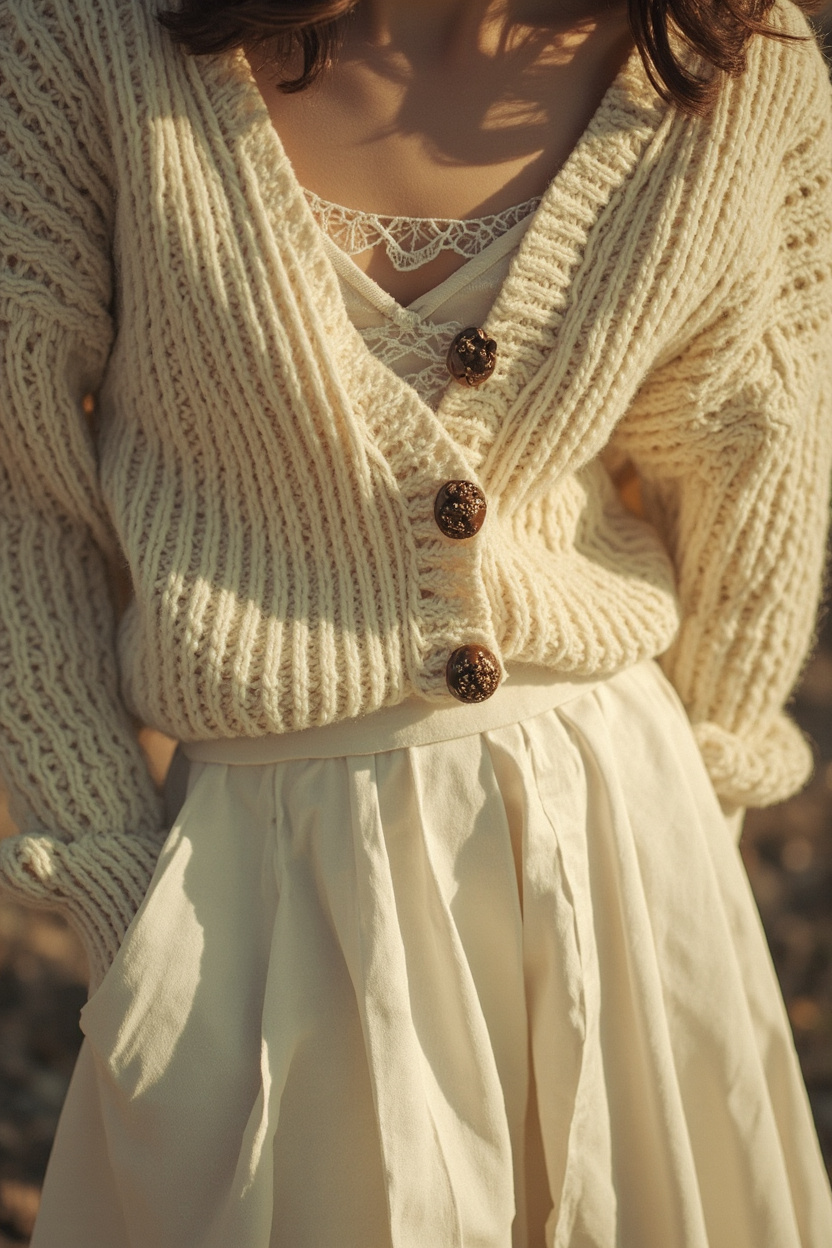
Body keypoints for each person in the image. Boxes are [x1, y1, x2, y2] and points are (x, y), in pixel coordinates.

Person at [1, 0, 831, 1242]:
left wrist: (695, 828)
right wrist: (118, 889)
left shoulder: (735, 62)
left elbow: (753, 462)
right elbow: (26, 493)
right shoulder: (82, 38)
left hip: (611, 844)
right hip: (258, 882)